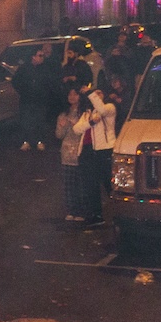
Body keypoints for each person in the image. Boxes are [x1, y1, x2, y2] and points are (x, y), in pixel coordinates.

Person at [56, 85, 98, 222]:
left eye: (75, 94)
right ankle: (71, 210)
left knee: (81, 184)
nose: (72, 97)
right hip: (67, 152)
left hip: (81, 151)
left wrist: (75, 124)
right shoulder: (63, 114)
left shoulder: (85, 114)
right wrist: (62, 126)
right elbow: (59, 135)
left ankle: (82, 211)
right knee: (69, 184)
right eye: (70, 94)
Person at [80, 84, 120, 208]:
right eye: (95, 93)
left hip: (107, 149)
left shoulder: (110, 107)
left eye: (99, 93)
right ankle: (96, 213)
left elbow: (102, 110)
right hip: (94, 150)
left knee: (109, 182)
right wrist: (90, 122)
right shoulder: (90, 112)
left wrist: (90, 93)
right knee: (93, 184)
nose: (97, 96)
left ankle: (117, 209)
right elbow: (77, 128)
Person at [13, 45, 56, 152]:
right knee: (26, 121)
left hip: (40, 100)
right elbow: (15, 81)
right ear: (33, 57)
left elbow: (50, 82)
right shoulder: (24, 68)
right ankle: (26, 141)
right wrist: (23, 91)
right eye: (40, 56)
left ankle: (39, 141)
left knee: (40, 120)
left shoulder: (45, 68)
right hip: (27, 100)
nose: (42, 58)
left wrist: (45, 92)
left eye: (42, 56)